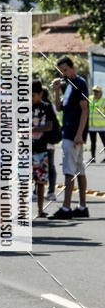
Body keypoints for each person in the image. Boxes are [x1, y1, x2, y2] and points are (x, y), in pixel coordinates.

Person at [51, 57, 89, 219]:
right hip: (69, 132)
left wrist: (80, 133)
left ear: (72, 68)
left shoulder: (79, 83)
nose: (63, 73)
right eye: (61, 71)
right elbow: (59, 108)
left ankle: (66, 209)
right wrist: (56, 90)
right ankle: (82, 207)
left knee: (69, 171)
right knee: (79, 171)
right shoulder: (68, 85)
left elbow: (85, 110)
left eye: (65, 69)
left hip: (73, 134)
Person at [31, 81, 53, 218]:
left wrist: (31, 130)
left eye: (33, 95)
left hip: (41, 149)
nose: (30, 98)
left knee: (40, 181)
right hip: (25, 150)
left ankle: (40, 209)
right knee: (22, 181)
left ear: (40, 94)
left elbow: (49, 126)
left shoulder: (46, 107)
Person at [41, 86, 59, 200]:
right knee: (44, 166)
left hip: (47, 142)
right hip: (43, 142)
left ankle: (50, 191)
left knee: (49, 166)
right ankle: (43, 191)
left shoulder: (49, 106)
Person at [88, 85, 105, 163]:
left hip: (102, 126)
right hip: (92, 126)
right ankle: (92, 158)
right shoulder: (90, 99)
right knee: (92, 143)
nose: (95, 93)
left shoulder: (103, 101)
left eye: (97, 91)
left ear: (100, 92)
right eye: (94, 91)